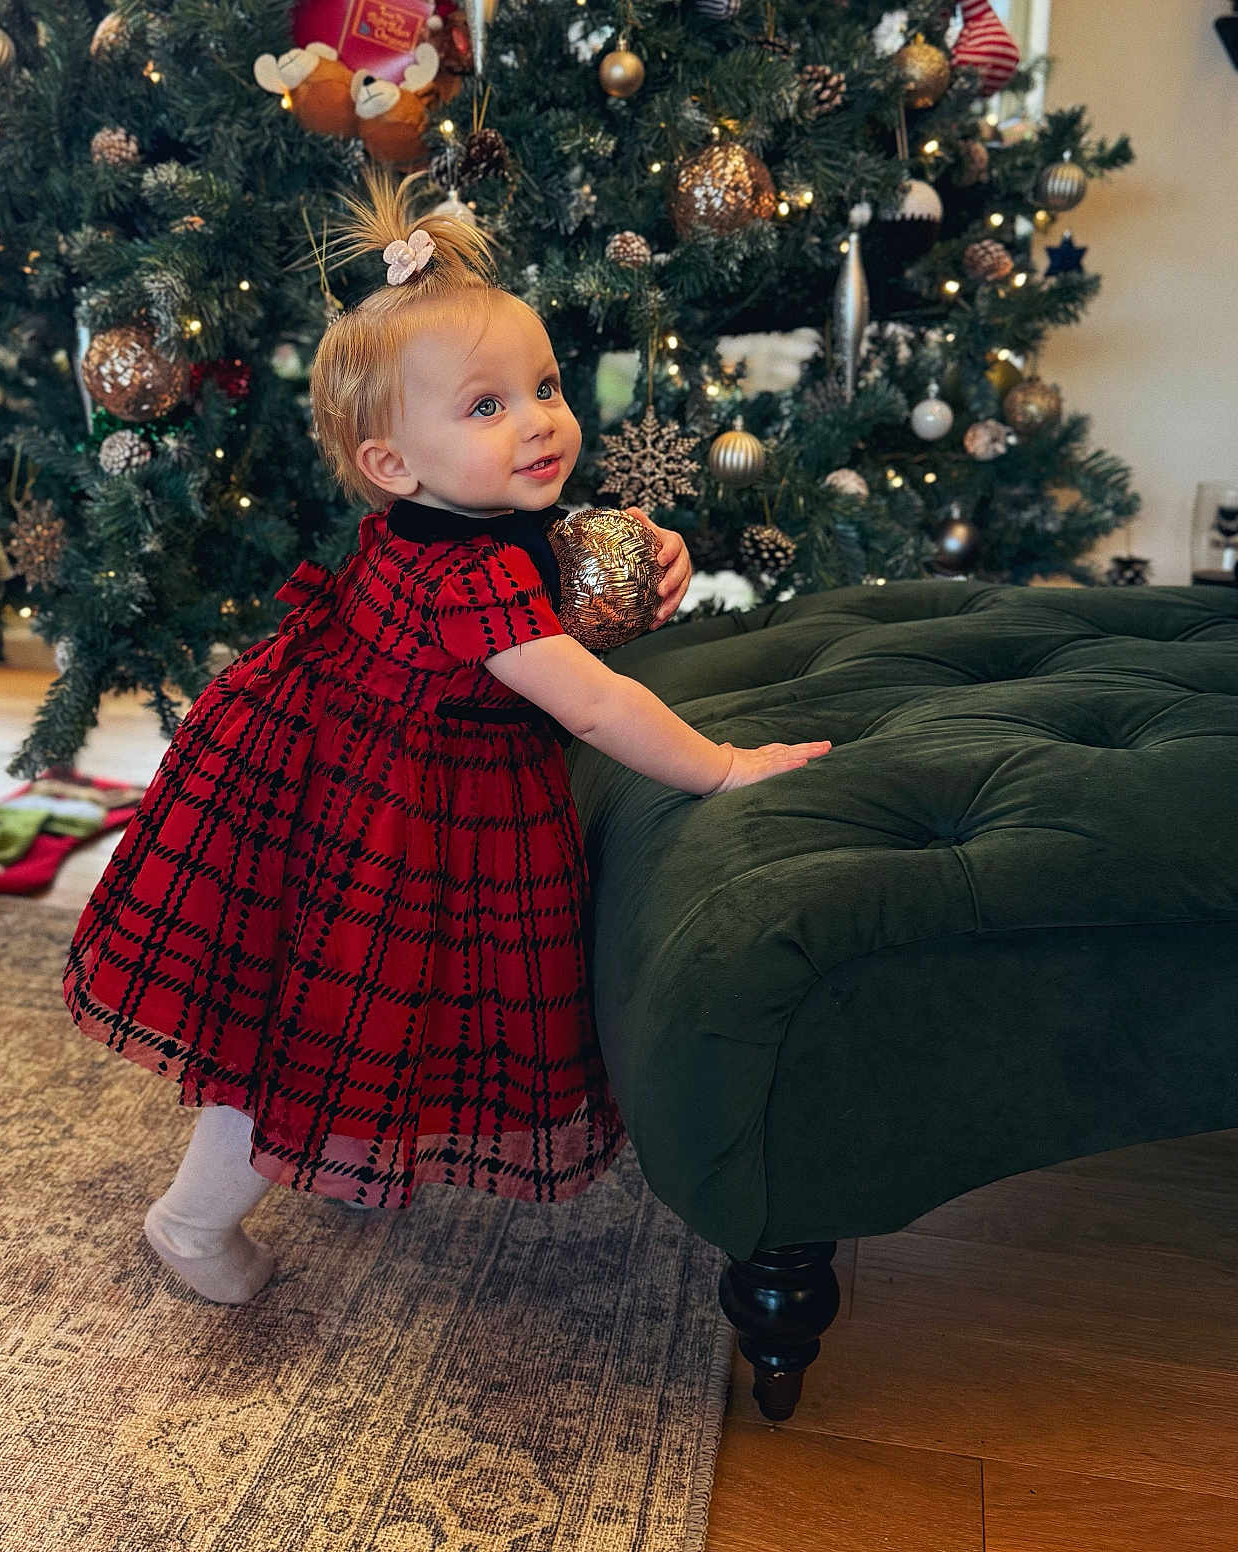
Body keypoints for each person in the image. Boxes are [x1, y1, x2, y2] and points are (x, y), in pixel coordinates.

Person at [61, 169, 831, 1304]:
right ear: (391, 464)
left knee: (307, 1022)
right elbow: (598, 702)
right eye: (487, 406)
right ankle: (189, 1220)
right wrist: (722, 768)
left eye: (546, 387)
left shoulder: (465, 523)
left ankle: (264, 1176)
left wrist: (647, 550)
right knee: (315, 1031)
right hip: (382, 816)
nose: (540, 421)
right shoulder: (468, 580)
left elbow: (568, 564)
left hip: (329, 772)